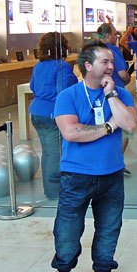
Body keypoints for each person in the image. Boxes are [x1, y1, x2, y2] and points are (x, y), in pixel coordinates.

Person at [45, 41, 137, 272]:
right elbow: (71, 132)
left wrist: (111, 95)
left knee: (109, 227)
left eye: (112, 61)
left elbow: (130, 124)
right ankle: (62, 269)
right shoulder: (68, 96)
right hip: (76, 175)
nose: (112, 66)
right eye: (105, 62)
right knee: (67, 229)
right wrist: (108, 127)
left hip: (112, 173)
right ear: (88, 66)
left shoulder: (121, 93)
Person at [29, 32, 78, 200]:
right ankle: (54, 192)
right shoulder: (62, 66)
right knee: (55, 153)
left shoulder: (38, 65)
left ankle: (49, 188)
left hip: (36, 111)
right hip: (52, 114)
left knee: (47, 153)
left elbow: (33, 87)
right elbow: (65, 91)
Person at [97, 23, 132, 174]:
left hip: (98, 95)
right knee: (124, 127)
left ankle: (102, 162)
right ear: (107, 36)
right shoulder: (113, 51)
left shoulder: (92, 51)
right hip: (115, 94)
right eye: (114, 34)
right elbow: (123, 74)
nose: (117, 36)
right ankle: (116, 162)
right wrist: (128, 78)